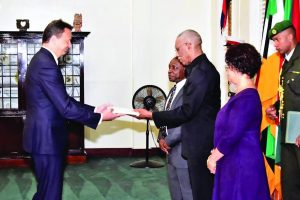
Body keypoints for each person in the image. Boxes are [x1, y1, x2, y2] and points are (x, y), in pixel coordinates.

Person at [22, 19, 121, 200]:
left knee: (44, 191)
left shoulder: (42, 60)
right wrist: (99, 117)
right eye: (67, 40)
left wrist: (94, 109)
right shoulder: (46, 63)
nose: (69, 45)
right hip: (47, 141)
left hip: (43, 140)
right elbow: (66, 108)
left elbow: (63, 101)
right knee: (50, 194)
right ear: (53, 39)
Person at [135, 29, 221, 200]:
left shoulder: (201, 72)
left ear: (189, 46)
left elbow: (186, 111)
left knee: (199, 192)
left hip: (200, 143)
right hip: (197, 141)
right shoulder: (198, 70)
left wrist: (151, 116)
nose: (177, 54)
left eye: (178, 49)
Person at [206, 43, 270, 200]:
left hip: (242, 165)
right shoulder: (242, 96)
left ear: (237, 67)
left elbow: (232, 134)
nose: (227, 70)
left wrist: (213, 157)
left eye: (228, 66)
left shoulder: (247, 98)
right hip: (234, 161)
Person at [266, 20, 300, 200]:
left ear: (290, 36)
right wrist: (274, 108)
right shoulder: (286, 63)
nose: (275, 44)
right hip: (288, 132)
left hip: (299, 131)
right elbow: (290, 94)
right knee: (289, 183)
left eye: (278, 39)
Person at [157, 57, 193, 200]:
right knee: (175, 191)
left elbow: (184, 121)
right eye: (169, 67)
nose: (169, 71)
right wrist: (161, 137)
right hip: (169, 150)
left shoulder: (188, 91)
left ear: (185, 70)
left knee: (187, 191)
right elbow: (166, 115)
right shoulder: (173, 90)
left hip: (181, 149)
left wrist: (168, 141)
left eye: (174, 68)